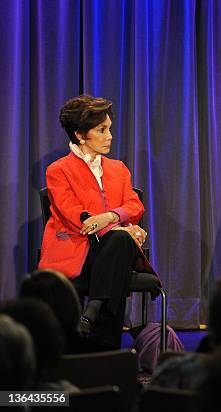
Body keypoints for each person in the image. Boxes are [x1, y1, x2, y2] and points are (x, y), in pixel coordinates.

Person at [38, 95, 153, 348]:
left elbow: (135, 205)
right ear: (80, 135)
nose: (109, 135)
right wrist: (122, 224)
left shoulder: (118, 168)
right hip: (77, 251)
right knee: (121, 246)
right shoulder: (58, 170)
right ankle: (107, 353)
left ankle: (93, 310)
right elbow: (74, 215)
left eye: (109, 129)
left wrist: (110, 217)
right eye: (102, 130)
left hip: (111, 251)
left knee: (119, 245)